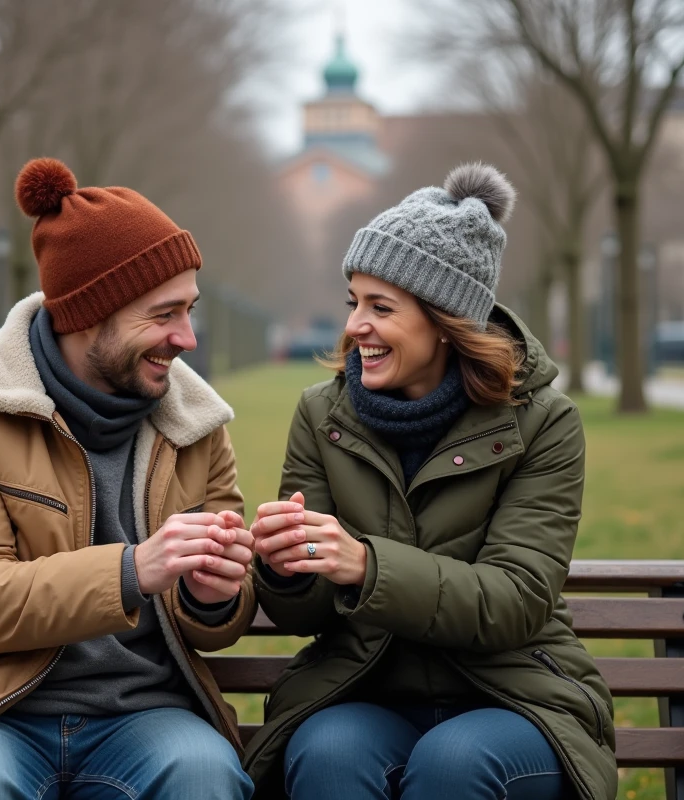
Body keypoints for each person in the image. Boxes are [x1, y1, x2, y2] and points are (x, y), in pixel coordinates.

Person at [0, 158, 256, 800]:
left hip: (144, 715)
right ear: (88, 314)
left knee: (205, 776)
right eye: (164, 314)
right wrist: (132, 570)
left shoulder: (197, 422)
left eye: (190, 311)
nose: (186, 337)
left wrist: (213, 595)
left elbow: (215, 628)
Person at [243, 163, 617, 800]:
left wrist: (364, 565)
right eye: (353, 302)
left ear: (446, 321)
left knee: (453, 762)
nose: (356, 325)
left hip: (517, 696)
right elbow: (302, 613)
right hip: (362, 690)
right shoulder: (320, 413)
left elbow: (515, 600)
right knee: (328, 754)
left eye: (380, 307)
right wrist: (284, 566)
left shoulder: (545, 422)